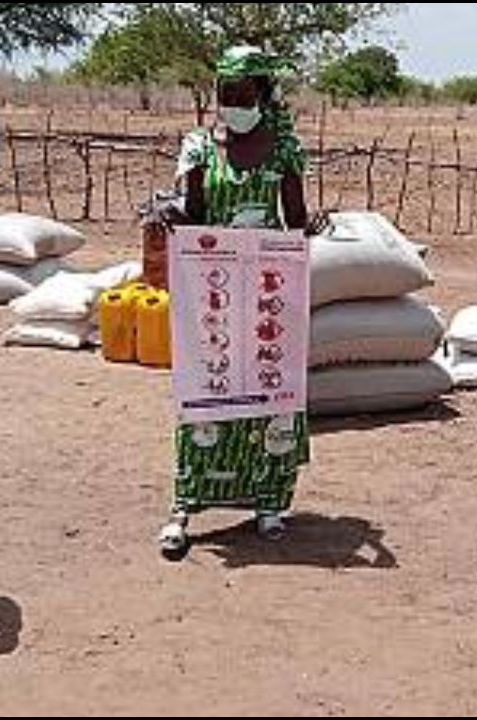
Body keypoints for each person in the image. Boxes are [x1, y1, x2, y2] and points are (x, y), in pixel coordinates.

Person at [148, 46, 321, 559]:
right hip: (213, 294)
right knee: (205, 390)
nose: (232, 104)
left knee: (268, 391)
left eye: (242, 96)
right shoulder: (199, 147)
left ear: (263, 97)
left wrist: (309, 231)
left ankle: (268, 502)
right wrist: (169, 217)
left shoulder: (284, 150)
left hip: (267, 293)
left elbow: (295, 222)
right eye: (225, 95)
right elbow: (193, 211)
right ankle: (185, 505)